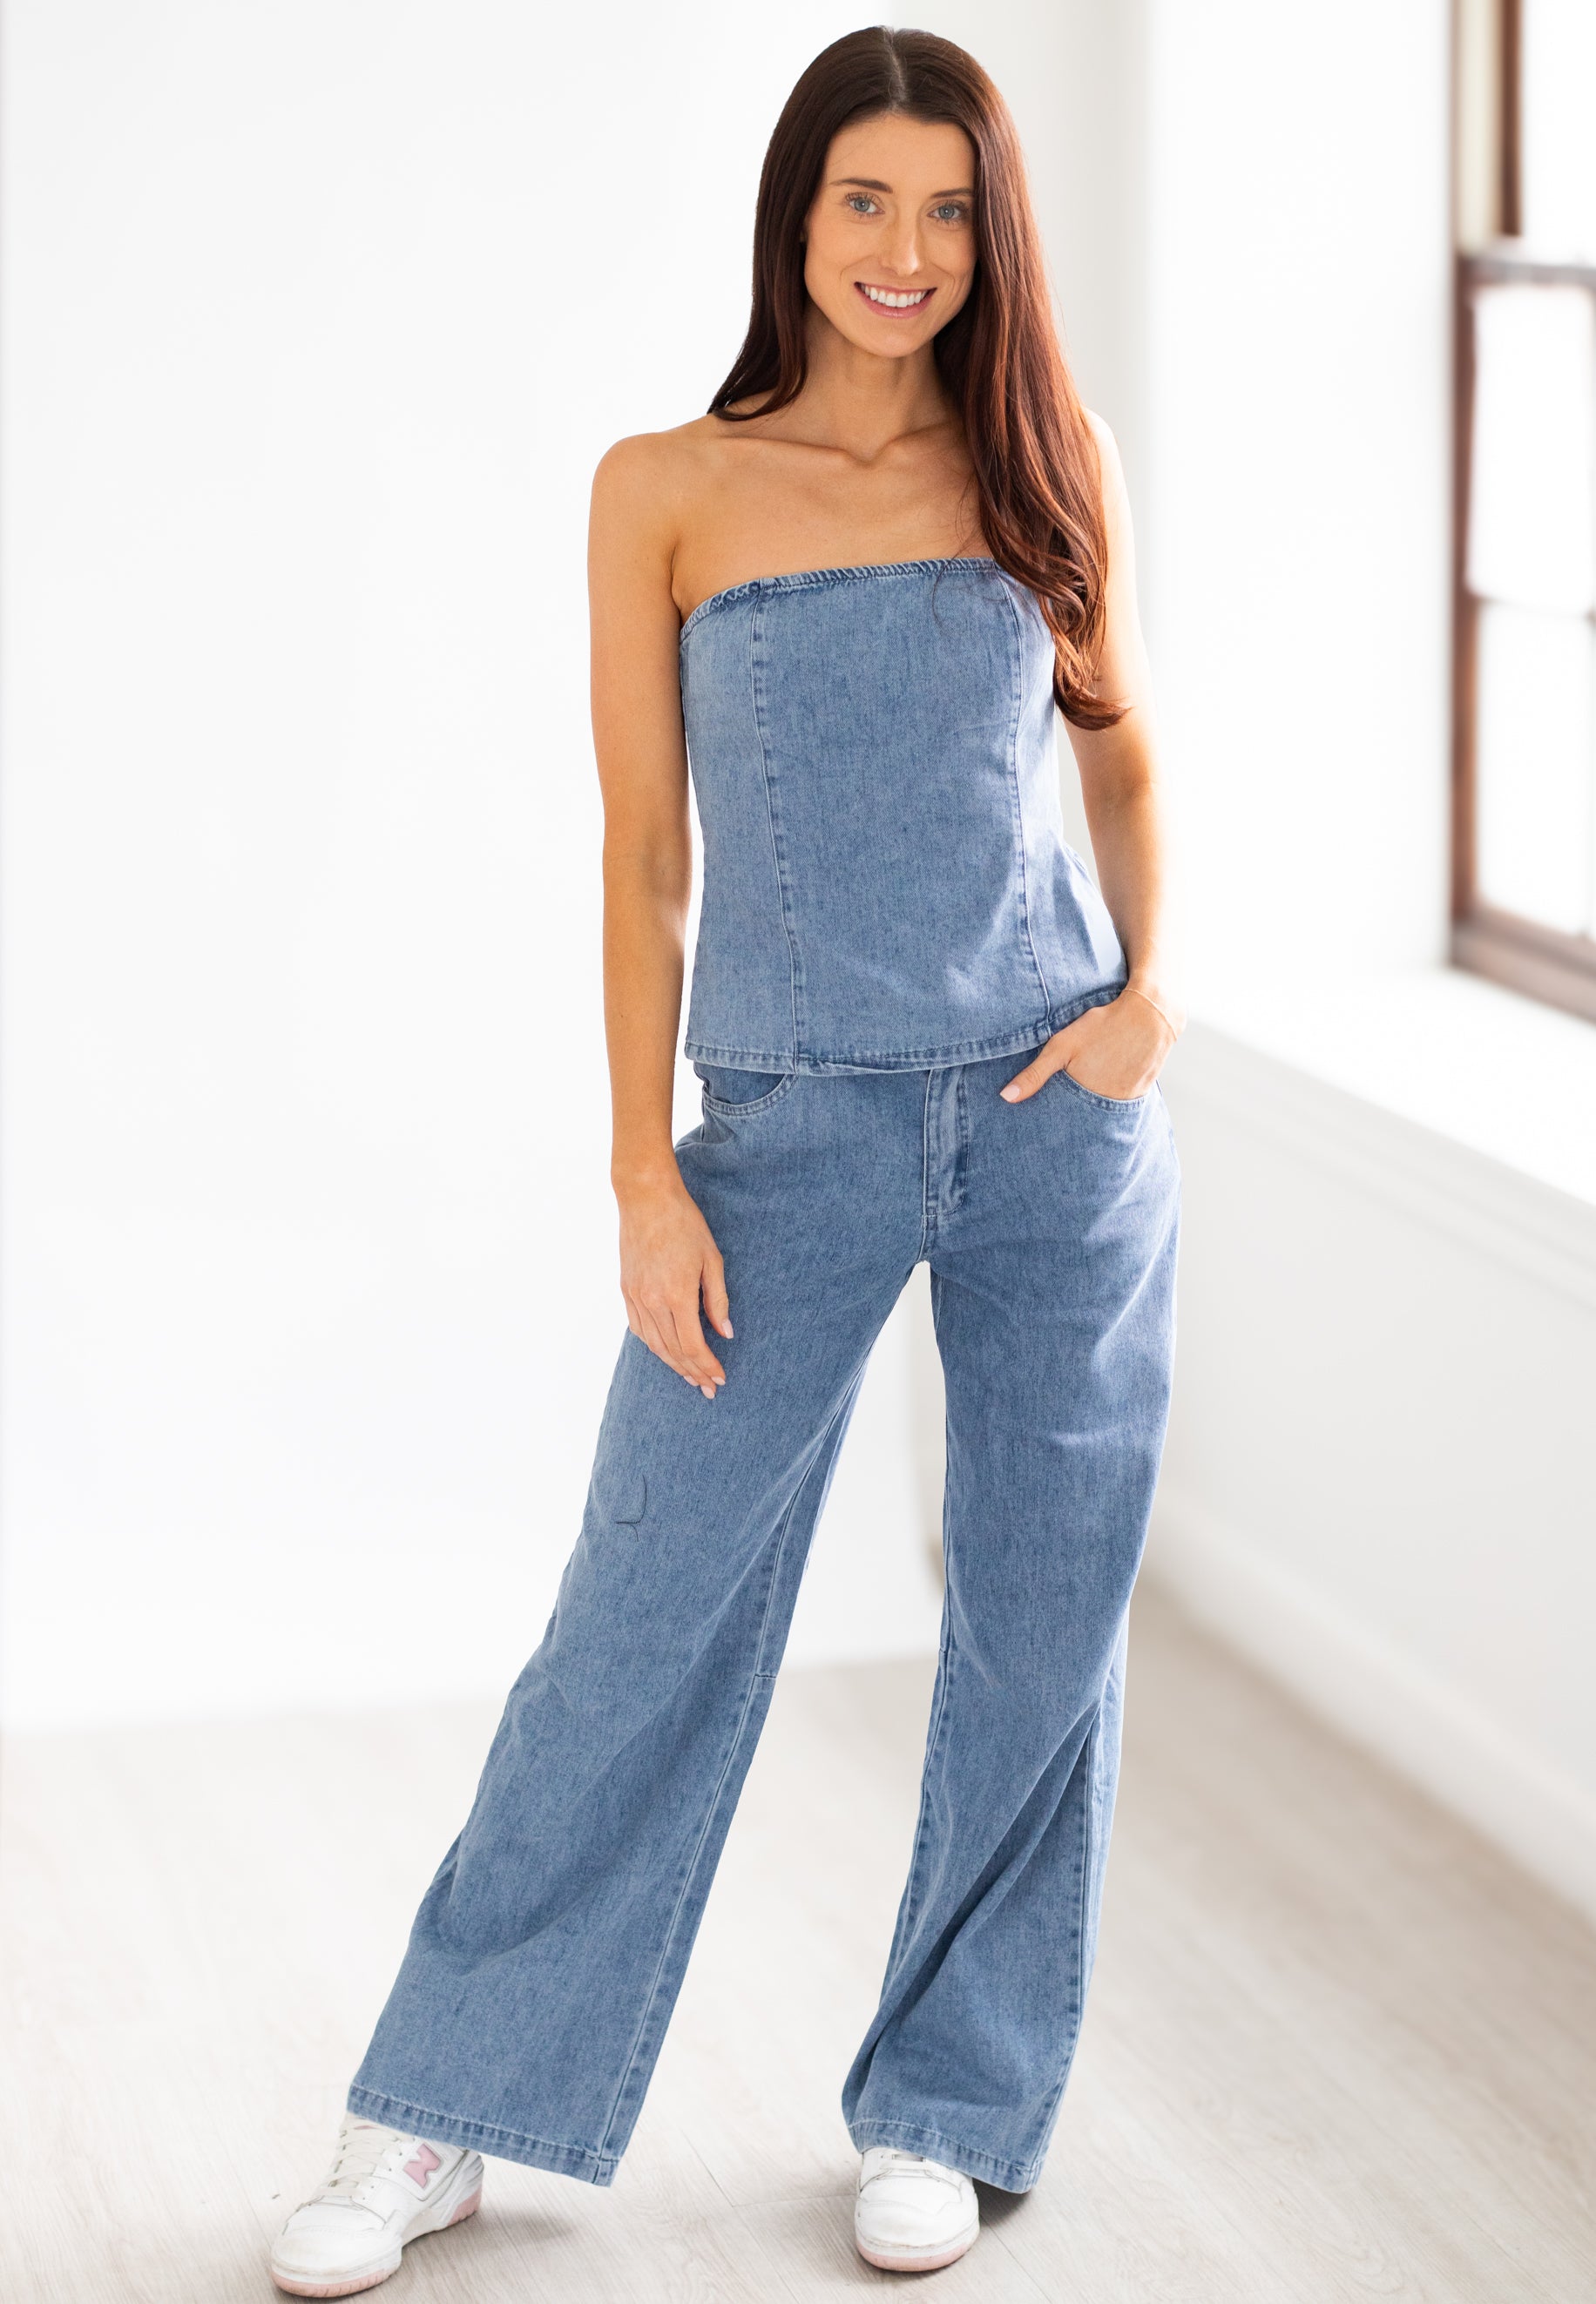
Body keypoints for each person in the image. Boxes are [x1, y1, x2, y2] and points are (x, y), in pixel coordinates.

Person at [270, 23, 1182, 2295]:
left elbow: (1126, 759)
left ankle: (952, 2119)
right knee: (634, 1622)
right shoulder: (664, 483)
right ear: (794, 217)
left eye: (949, 210)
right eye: (863, 202)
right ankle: (440, 2116)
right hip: (781, 1132)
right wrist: (640, 1175)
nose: (904, 251)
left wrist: (1146, 995)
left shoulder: (1046, 459)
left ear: (994, 237)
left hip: (1048, 1127)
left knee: (1039, 1629)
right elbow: (642, 858)